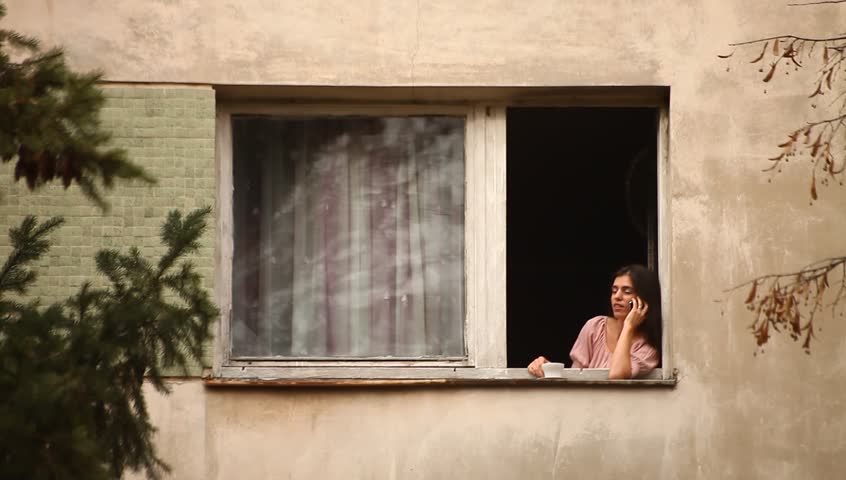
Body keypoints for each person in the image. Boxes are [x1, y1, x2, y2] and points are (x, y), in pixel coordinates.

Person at [527, 264, 662, 379]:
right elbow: (576, 377)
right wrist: (547, 369)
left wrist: (628, 327)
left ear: (644, 300)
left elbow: (617, 374)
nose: (617, 297)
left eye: (626, 291)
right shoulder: (595, 327)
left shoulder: (647, 347)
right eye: (614, 291)